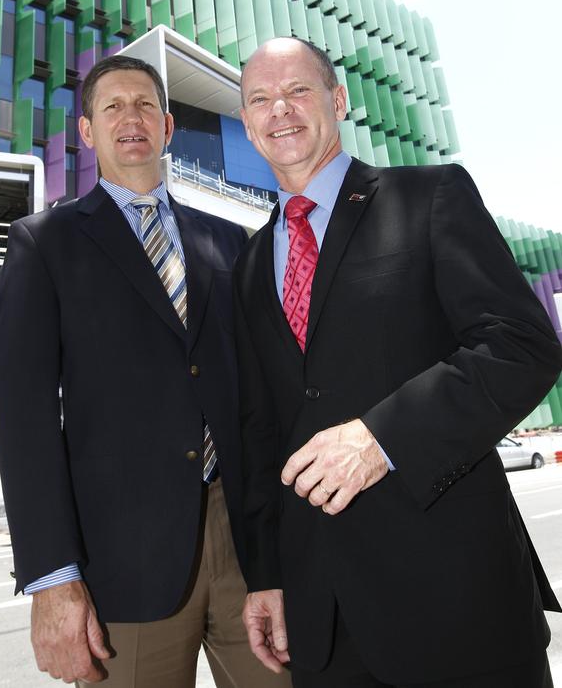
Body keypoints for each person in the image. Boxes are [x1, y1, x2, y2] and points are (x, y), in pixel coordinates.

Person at [233, 36, 562, 688]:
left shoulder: (431, 195)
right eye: (260, 99)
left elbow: (521, 344)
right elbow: (260, 428)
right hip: (324, 622)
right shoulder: (247, 265)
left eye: (298, 90)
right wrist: (265, 575)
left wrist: (382, 438)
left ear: (338, 98)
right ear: (246, 123)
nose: (281, 110)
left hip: (457, 601)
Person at [0, 55, 291, 688]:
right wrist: (53, 579)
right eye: (113, 107)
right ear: (88, 133)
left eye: (146, 104)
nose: (132, 118)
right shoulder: (44, 243)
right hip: (121, 563)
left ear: (169, 125)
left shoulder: (230, 242)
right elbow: (25, 421)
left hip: (244, 549)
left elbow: (260, 396)